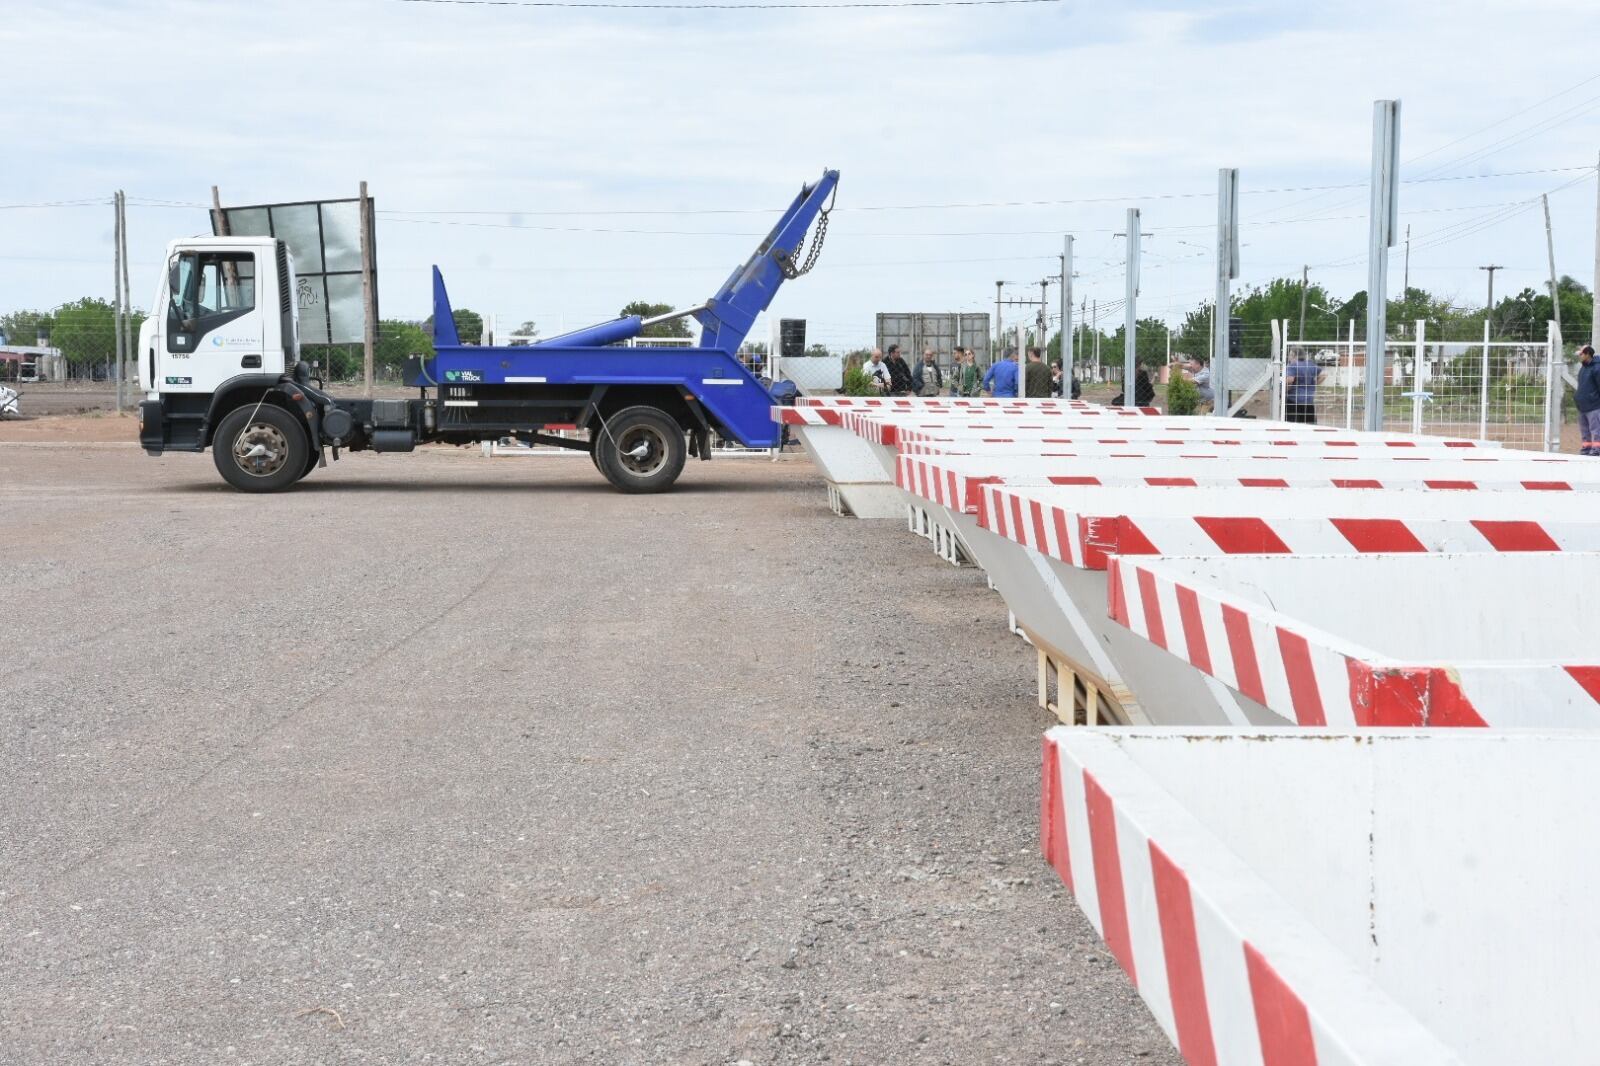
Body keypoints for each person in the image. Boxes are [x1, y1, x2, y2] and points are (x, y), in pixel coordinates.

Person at [1577, 344, 1600, 456]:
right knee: (1585, 431)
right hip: (1582, 406)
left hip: (1594, 406)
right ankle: (1586, 449)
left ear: (1587, 354)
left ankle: (1596, 450)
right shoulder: (1583, 368)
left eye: (1581, 354)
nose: (1579, 356)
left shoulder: (1597, 368)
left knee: (1595, 429)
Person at [1285, 350, 1319, 424]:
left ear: (1295, 356)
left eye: (1290, 355)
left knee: (1292, 425)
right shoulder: (1310, 365)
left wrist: (1286, 389)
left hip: (1294, 400)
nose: (1289, 357)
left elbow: (1290, 380)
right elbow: (1324, 374)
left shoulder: (1293, 366)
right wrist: (1314, 384)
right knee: (1309, 425)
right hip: (1308, 400)